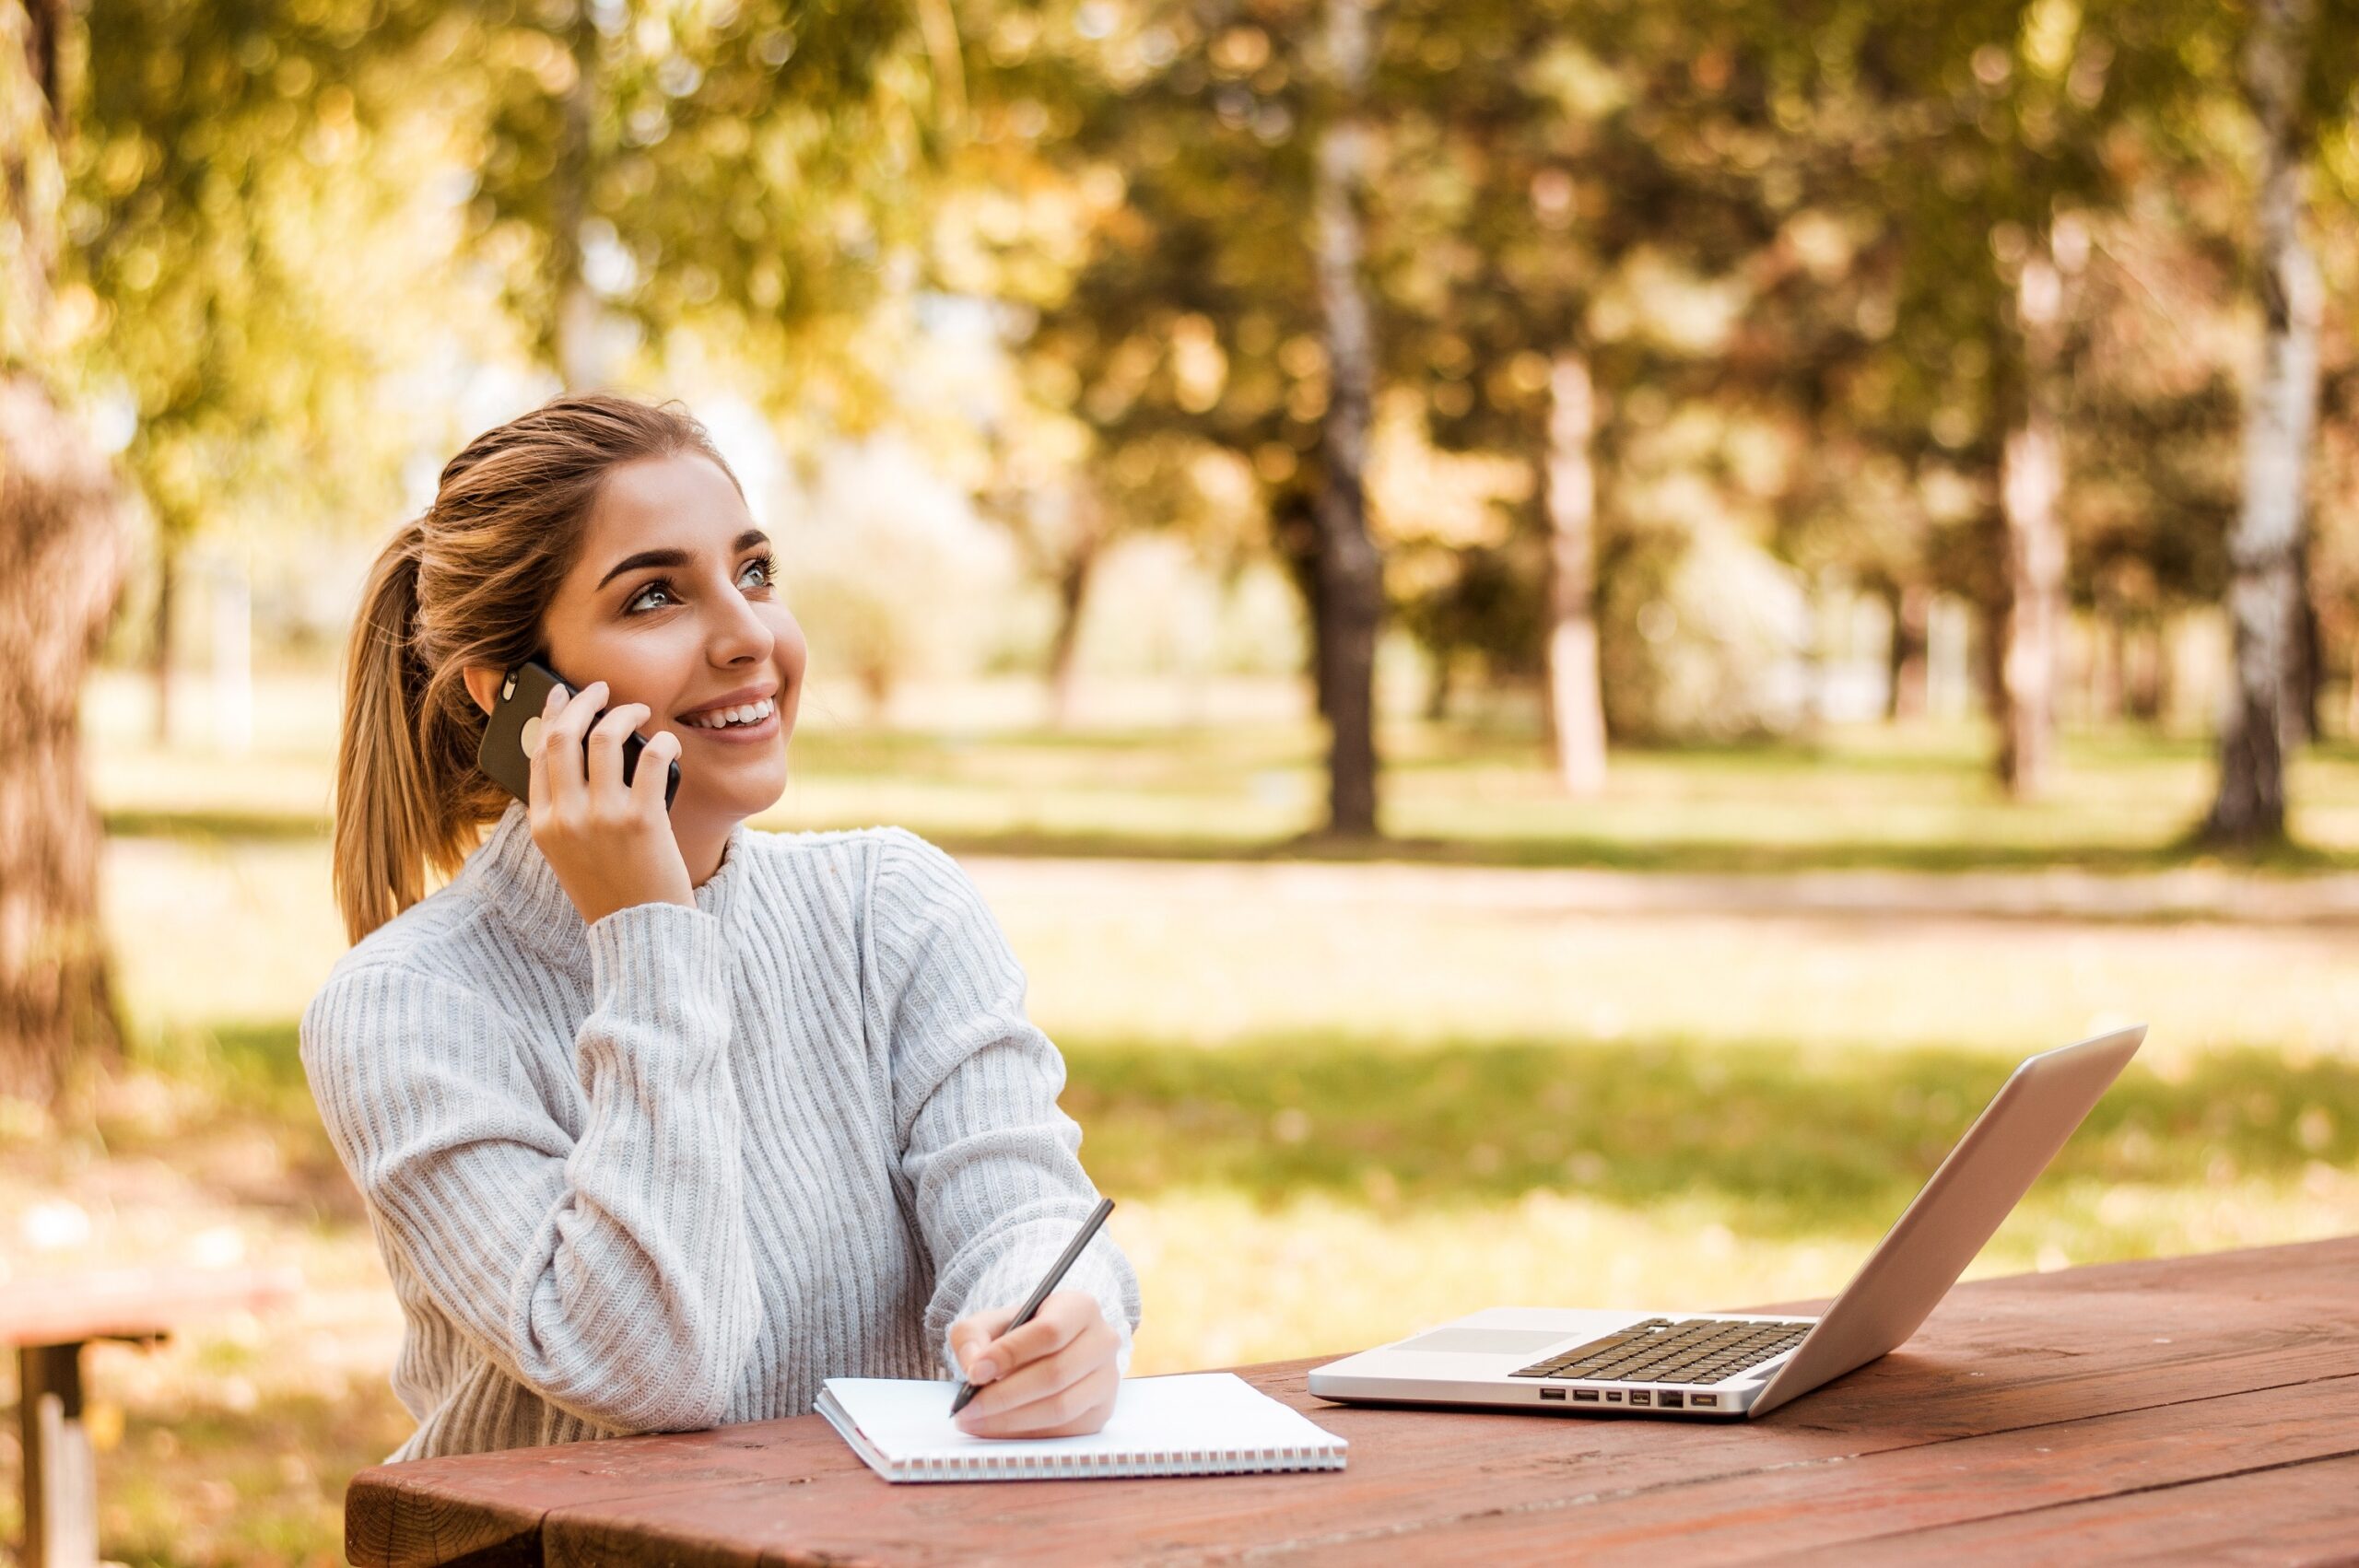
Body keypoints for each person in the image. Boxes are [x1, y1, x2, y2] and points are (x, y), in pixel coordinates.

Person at [300, 392, 1138, 1462]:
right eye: (655, 596)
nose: (749, 637)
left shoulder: (891, 906)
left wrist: (1059, 1317)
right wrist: (649, 932)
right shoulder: (406, 1007)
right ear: (512, 695)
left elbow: (1021, 1208)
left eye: (754, 573)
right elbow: (653, 1369)